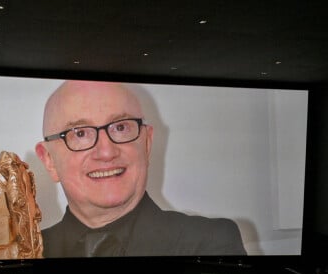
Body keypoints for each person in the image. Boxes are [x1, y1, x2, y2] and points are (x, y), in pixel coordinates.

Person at [35, 80, 246, 257]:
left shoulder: (208, 244)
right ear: (49, 160)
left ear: (146, 144)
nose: (106, 152)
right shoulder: (24, 254)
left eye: (120, 127)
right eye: (80, 133)